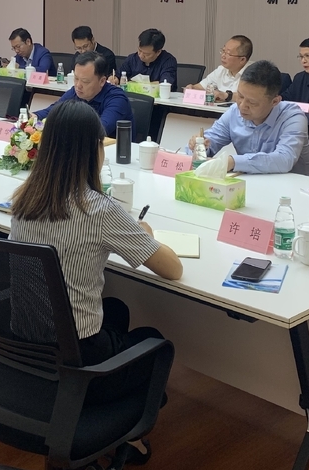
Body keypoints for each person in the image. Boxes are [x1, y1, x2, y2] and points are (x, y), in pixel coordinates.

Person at [10, 101, 181, 407]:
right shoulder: (100, 209)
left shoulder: (24, 199)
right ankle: (100, 407)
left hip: (30, 343)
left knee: (116, 309)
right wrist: (145, 236)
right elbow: (172, 269)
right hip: (80, 356)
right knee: (152, 339)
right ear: (93, 152)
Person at [193, 60, 309, 175]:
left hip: (294, 186)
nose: (242, 106)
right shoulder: (234, 112)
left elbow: (284, 160)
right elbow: (211, 141)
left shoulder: (293, 117)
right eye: (240, 96)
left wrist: (233, 162)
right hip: (250, 183)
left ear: (275, 101)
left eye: (252, 102)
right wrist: (199, 147)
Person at [35, 52, 133, 138]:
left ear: (102, 81)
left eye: (85, 81)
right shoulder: (75, 92)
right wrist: (34, 117)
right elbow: (52, 111)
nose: (78, 85)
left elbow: (100, 130)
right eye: (76, 78)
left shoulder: (117, 99)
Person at [185, 35, 253, 102]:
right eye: (223, 51)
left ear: (242, 60)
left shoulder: (253, 73)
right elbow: (201, 87)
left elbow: (249, 97)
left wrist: (226, 95)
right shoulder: (221, 70)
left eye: (228, 53)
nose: (223, 56)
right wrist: (192, 88)